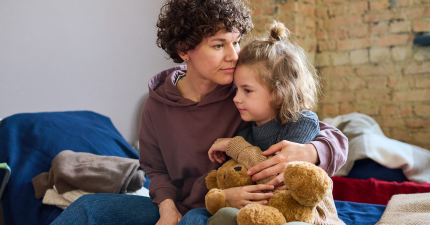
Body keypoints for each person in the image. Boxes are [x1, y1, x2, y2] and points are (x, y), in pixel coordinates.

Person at [51, 1, 348, 225]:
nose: (233, 55)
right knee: (88, 208)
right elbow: (155, 169)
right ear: (184, 49)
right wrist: (166, 206)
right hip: (180, 204)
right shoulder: (157, 105)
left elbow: (322, 131)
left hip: (225, 205)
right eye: (219, 45)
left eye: (236, 42)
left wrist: (310, 152)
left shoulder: (243, 91)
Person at [206, 21, 344, 225]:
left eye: (247, 90)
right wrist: (226, 195)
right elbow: (238, 178)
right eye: (236, 89)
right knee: (222, 218)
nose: (236, 98)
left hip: (308, 217)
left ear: (279, 94)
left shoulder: (301, 121)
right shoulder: (246, 135)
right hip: (265, 214)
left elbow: (278, 176)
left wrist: (233, 146)